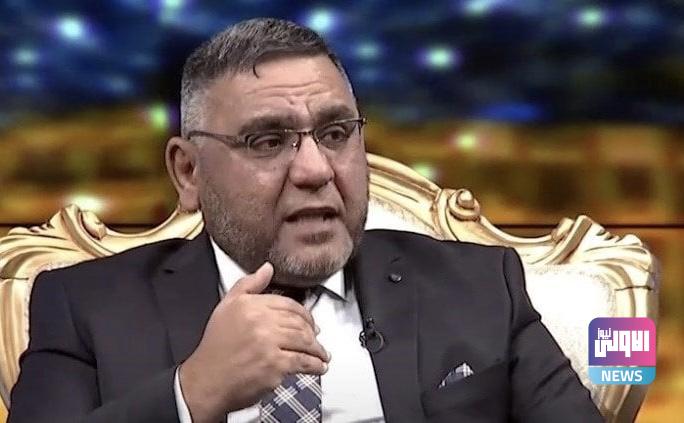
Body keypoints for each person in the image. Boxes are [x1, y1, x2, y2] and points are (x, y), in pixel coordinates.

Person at [8, 18, 603, 423]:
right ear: (189, 172)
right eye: (268, 141)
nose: (316, 169)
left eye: (336, 133)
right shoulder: (82, 305)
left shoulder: (483, 285)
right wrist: (192, 394)